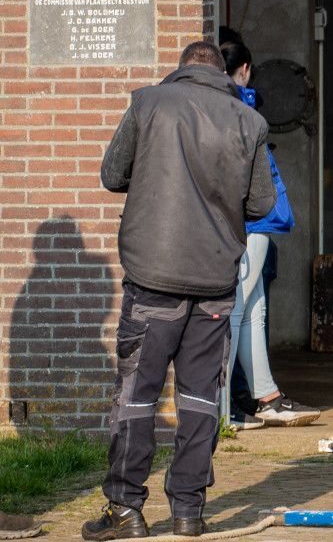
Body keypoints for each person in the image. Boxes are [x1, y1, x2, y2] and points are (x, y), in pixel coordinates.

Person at [87, 41, 275, 540]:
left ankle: (126, 509)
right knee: (199, 399)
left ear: (181, 69)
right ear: (224, 73)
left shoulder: (148, 103)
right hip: (214, 282)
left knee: (137, 396)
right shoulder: (249, 122)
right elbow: (260, 204)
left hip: (153, 279)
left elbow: (111, 175)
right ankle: (188, 511)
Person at [219, 41, 319, 429]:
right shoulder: (243, 109)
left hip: (250, 222)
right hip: (252, 223)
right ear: (244, 69)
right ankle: (222, 408)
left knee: (253, 309)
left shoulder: (228, 108)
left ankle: (266, 397)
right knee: (239, 308)